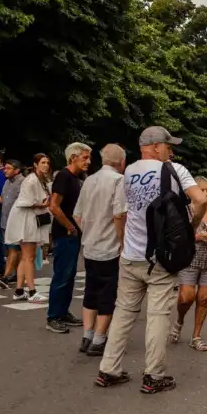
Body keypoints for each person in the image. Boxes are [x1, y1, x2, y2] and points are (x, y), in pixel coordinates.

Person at [96, 126, 207, 394]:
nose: (172, 150)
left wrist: (124, 243)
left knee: (124, 312)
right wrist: (191, 228)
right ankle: (153, 376)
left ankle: (108, 369)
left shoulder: (128, 172)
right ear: (156, 146)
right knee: (158, 315)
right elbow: (201, 199)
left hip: (131, 256)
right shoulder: (174, 170)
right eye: (169, 145)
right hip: (161, 257)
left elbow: (121, 213)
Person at [73, 144, 126, 355]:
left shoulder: (89, 180)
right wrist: (121, 240)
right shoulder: (118, 181)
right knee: (107, 292)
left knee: (90, 290)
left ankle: (87, 335)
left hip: (89, 245)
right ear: (121, 162)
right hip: (109, 247)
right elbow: (119, 214)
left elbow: (77, 214)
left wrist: (88, 230)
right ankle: (99, 338)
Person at [172, 176, 207, 352]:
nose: (206, 193)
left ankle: (196, 336)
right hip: (189, 259)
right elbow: (176, 236)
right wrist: (196, 237)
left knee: (204, 299)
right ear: (193, 192)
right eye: (202, 190)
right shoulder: (185, 211)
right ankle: (180, 320)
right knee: (186, 298)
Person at [45, 142, 91, 334]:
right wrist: (70, 226)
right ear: (73, 157)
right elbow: (54, 206)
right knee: (62, 275)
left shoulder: (76, 177)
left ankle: (63, 312)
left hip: (73, 233)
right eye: (85, 158)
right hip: (65, 233)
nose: (88, 161)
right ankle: (53, 316)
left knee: (69, 275)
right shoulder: (63, 176)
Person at [5, 154, 53, 304]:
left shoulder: (41, 180)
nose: (46, 165)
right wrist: (43, 205)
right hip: (26, 219)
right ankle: (32, 291)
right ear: (35, 164)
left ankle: (19, 290)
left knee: (26, 256)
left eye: (47, 163)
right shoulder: (31, 180)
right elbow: (25, 202)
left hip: (31, 218)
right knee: (29, 256)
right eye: (43, 163)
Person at [0, 160, 24, 289]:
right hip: (5, 221)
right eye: (5, 168)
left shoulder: (22, 182)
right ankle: (17, 274)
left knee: (13, 249)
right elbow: (3, 200)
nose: (4, 170)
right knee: (12, 250)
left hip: (17, 222)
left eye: (8, 168)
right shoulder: (7, 182)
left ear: (17, 170)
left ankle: (5, 277)